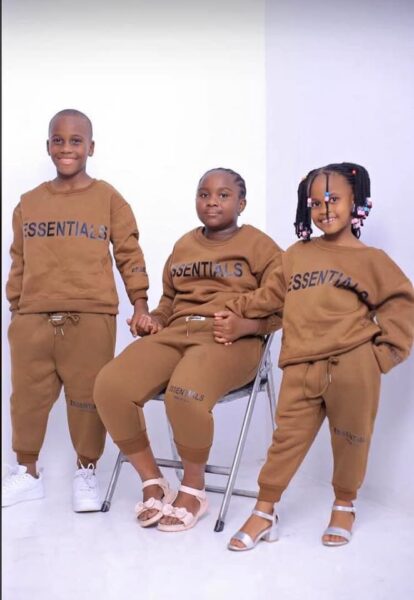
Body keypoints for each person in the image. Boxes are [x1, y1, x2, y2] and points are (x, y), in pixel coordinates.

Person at [225, 162, 414, 550]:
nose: (325, 209)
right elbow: (269, 296)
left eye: (334, 199)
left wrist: (383, 356)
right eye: (315, 203)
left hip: (353, 366)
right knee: (285, 440)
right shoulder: (296, 255)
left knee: (351, 438)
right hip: (300, 365)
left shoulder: (372, 259)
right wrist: (233, 307)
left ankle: (344, 504)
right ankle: (265, 510)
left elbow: (401, 303)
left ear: (355, 201)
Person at [94, 167, 283, 532]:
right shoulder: (184, 245)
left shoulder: (261, 246)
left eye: (224, 195)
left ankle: (194, 489)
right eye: (204, 194)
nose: (212, 201)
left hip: (231, 338)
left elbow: (284, 303)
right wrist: (153, 320)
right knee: (110, 385)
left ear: (242, 203)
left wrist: (247, 326)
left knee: (185, 392)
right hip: (177, 332)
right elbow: (169, 300)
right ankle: (153, 480)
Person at [3, 109, 149, 512]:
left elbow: (129, 252)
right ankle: (27, 473)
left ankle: (86, 471)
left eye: (75, 140)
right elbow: (18, 260)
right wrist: (17, 310)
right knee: (26, 399)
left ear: (91, 147)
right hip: (33, 317)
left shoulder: (108, 198)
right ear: (48, 146)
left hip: (91, 315)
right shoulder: (28, 203)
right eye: (58, 140)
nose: (66, 148)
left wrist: (140, 302)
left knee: (87, 398)